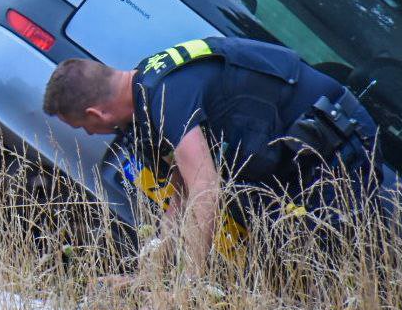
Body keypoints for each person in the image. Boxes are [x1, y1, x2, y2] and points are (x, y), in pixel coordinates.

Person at [42, 36, 384, 275]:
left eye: (83, 126)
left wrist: (187, 289)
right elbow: (181, 195)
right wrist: (149, 276)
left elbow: (206, 191)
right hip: (311, 154)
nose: (89, 134)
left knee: (331, 265)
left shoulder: (164, 98)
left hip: (342, 144)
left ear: (96, 114)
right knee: (294, 259)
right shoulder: (149, 86)